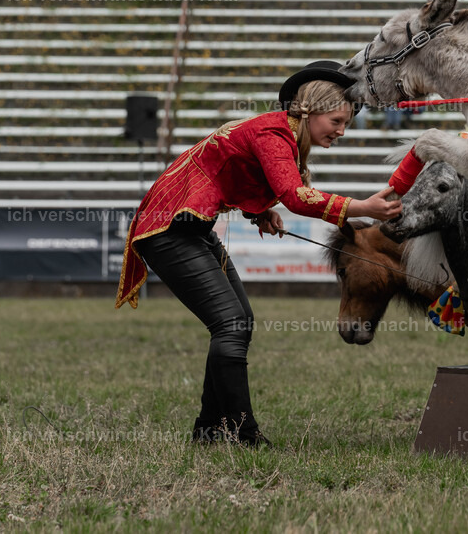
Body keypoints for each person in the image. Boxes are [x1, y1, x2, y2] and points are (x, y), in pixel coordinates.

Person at [114, 60, 403, 446]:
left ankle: (211, 428)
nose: (341, 131)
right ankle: (242, 432)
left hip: (189, 226)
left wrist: (258, 211)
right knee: (231, 325)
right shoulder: (274, 133)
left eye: (345, 123)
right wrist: (363, 207)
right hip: (169, 228)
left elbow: (236, 171)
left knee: (239, 320)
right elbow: (295, 196)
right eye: (336, 120)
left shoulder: (280, 133)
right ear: (312, 110)